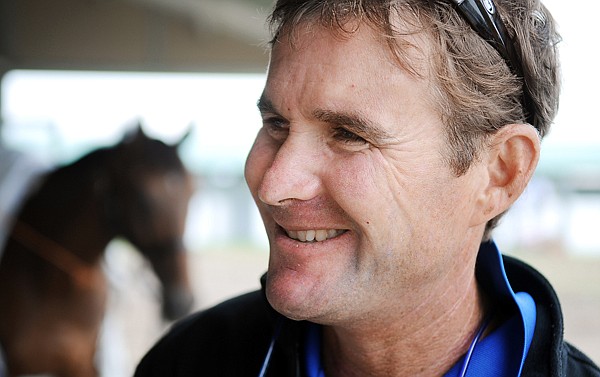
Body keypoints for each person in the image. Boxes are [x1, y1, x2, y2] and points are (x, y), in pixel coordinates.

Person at [135, 0, 600, 376]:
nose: (275, 185)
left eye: (349, 135)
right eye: (276, 123)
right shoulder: (188, 361)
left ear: (499, 172)